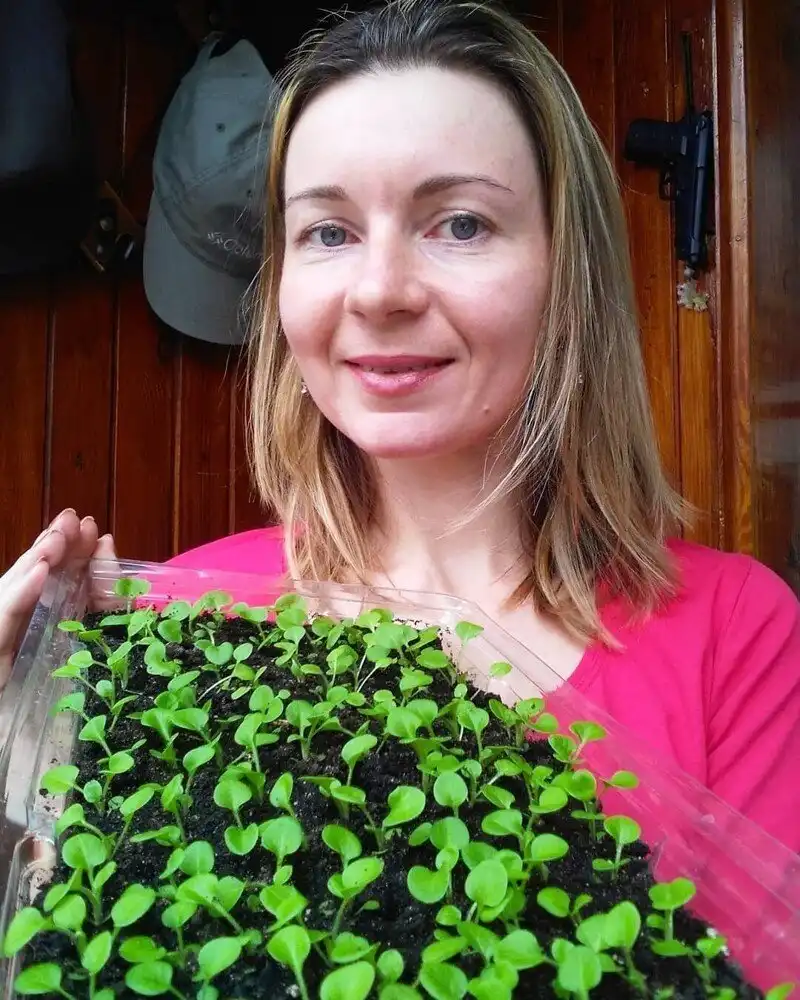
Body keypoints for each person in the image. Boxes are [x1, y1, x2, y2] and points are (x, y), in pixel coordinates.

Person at [1, 0, 798, 858]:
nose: (380, 291)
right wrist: (22, 755)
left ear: (568, 269)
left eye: (461, 223)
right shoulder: (181, 619)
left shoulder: (735, 634)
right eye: (329, 231)